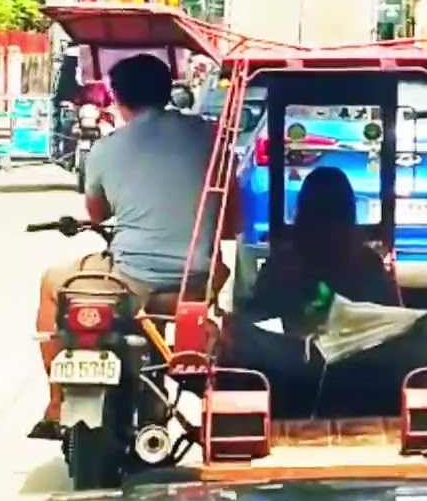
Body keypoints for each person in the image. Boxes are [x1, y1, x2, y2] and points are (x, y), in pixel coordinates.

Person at [30, 53, 237, 440]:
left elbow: (97, 213)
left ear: (117, 98)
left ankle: (57, 400)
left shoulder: (106, 149)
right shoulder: (212, 137)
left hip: (130, 281)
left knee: (52, 283)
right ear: (170, 90)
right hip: (194, 282)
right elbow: (232, 219)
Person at [242, 166, 399, 327]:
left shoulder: (279, 268)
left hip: (289, 350)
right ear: (349, 213)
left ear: (302, 212)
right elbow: (396, 324)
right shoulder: (368, 267)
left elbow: (254, 326)